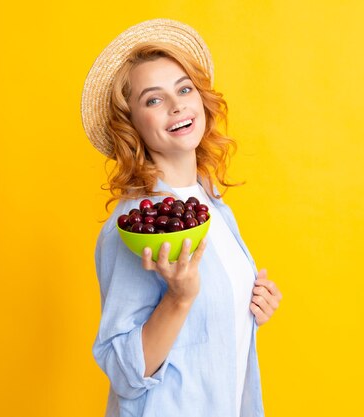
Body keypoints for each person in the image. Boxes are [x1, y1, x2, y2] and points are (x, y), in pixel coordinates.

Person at [81, 19, 282, 417]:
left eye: (184, 89)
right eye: (153, 100)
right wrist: (179, 298)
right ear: (132, 126)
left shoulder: (211, 203)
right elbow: (125, 373)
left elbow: (207, 334)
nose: (176, 105)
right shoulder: (134, 226)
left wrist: (253, 303)